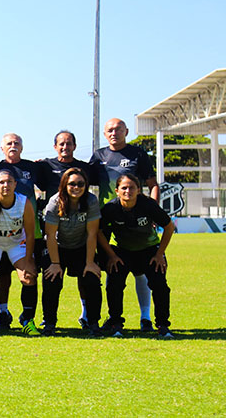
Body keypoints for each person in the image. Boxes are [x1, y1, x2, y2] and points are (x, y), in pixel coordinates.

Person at [90, 117, 159, 332]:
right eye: (110, 130)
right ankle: (98, 317)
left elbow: (152, 184)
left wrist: (153, 211)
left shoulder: (138, 154)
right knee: (108, 268)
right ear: (104, 134)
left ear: (126, 131)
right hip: (106, 219)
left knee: (140, 270)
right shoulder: (99, 156)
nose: (114, 133)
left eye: (118, 129)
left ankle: (145, 317)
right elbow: (82, 179)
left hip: (135, 219)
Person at [97, 174, 175, 339]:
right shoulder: (111, 208)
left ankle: (162, 325)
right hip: (122, 251)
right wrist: (111, 255)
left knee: (160, 285)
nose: (128, 191)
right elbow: (97, 231)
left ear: (139, 190)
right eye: (124, 188)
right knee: (114, 284)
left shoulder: (148, 205)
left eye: (132, 187)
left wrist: (160, 254)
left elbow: (169, 227)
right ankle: (116, 323)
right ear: (117, 191)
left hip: (149, 251)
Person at [38, 130, 94, 329]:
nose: (65, 147)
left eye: (69, 143)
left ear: (75, 146)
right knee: (51, 276)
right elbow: (22, 172)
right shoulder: (45, 166)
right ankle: (49, 321)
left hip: (80, 232)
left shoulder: (85, 169)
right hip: (56, 233)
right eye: (61, 144)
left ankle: (88, 316)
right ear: (55, 146)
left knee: (88, 276)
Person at [0, 133, 42, 330]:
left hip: (26, 232)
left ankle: (28, 318)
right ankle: (4, 312)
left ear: (22, 147)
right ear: (1, 148)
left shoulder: (33, 167)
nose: (13, 146)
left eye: (16, 143)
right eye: (9, 143)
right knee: (2, 275)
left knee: (30, 273)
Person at [0, 170, 40, 336]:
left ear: (15, 185)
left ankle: (27, 320)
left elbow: (31, 233)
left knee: (28, 276)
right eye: (2, 182)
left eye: (9, 182)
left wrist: (28, 260)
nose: (6, 185)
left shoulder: (23, 202)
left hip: (16, 243)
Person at [41, 168, 103, 337]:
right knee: (51, 279)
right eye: (72, 184)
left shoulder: (91, 201)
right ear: (64, 185)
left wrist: (90, 263)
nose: (76, 187)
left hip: (82, 247)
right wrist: (55, 264)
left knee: (91, 279)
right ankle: (49, 323)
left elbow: (92, 234)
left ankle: (93, 322)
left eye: (80, 184)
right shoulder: (55, 202)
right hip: (58, 247)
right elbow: (51, 235)